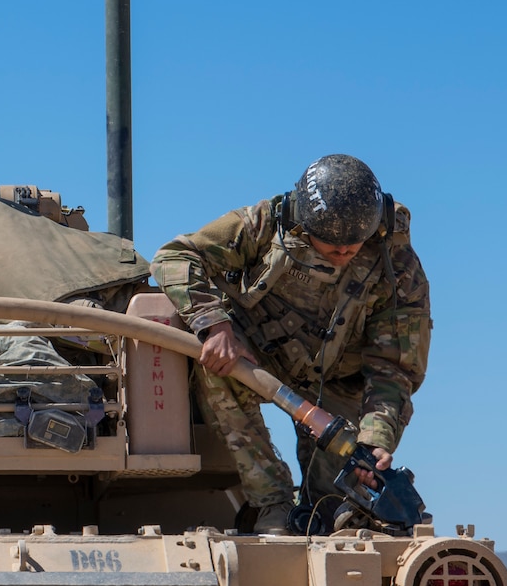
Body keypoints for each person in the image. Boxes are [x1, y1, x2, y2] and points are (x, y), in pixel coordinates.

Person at [151, 155, 430, 534]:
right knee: (215, 363)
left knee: (331, 511)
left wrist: (374, 441)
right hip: (255, 359)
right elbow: (175, 257)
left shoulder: (398, 269)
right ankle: (271, 502)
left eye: (354, 244)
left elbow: (393, 369)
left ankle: (318, 515)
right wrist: (214, 324)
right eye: (331, 245)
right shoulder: (264, 224)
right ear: (304, 220)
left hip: (337, 382)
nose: (344, 252)